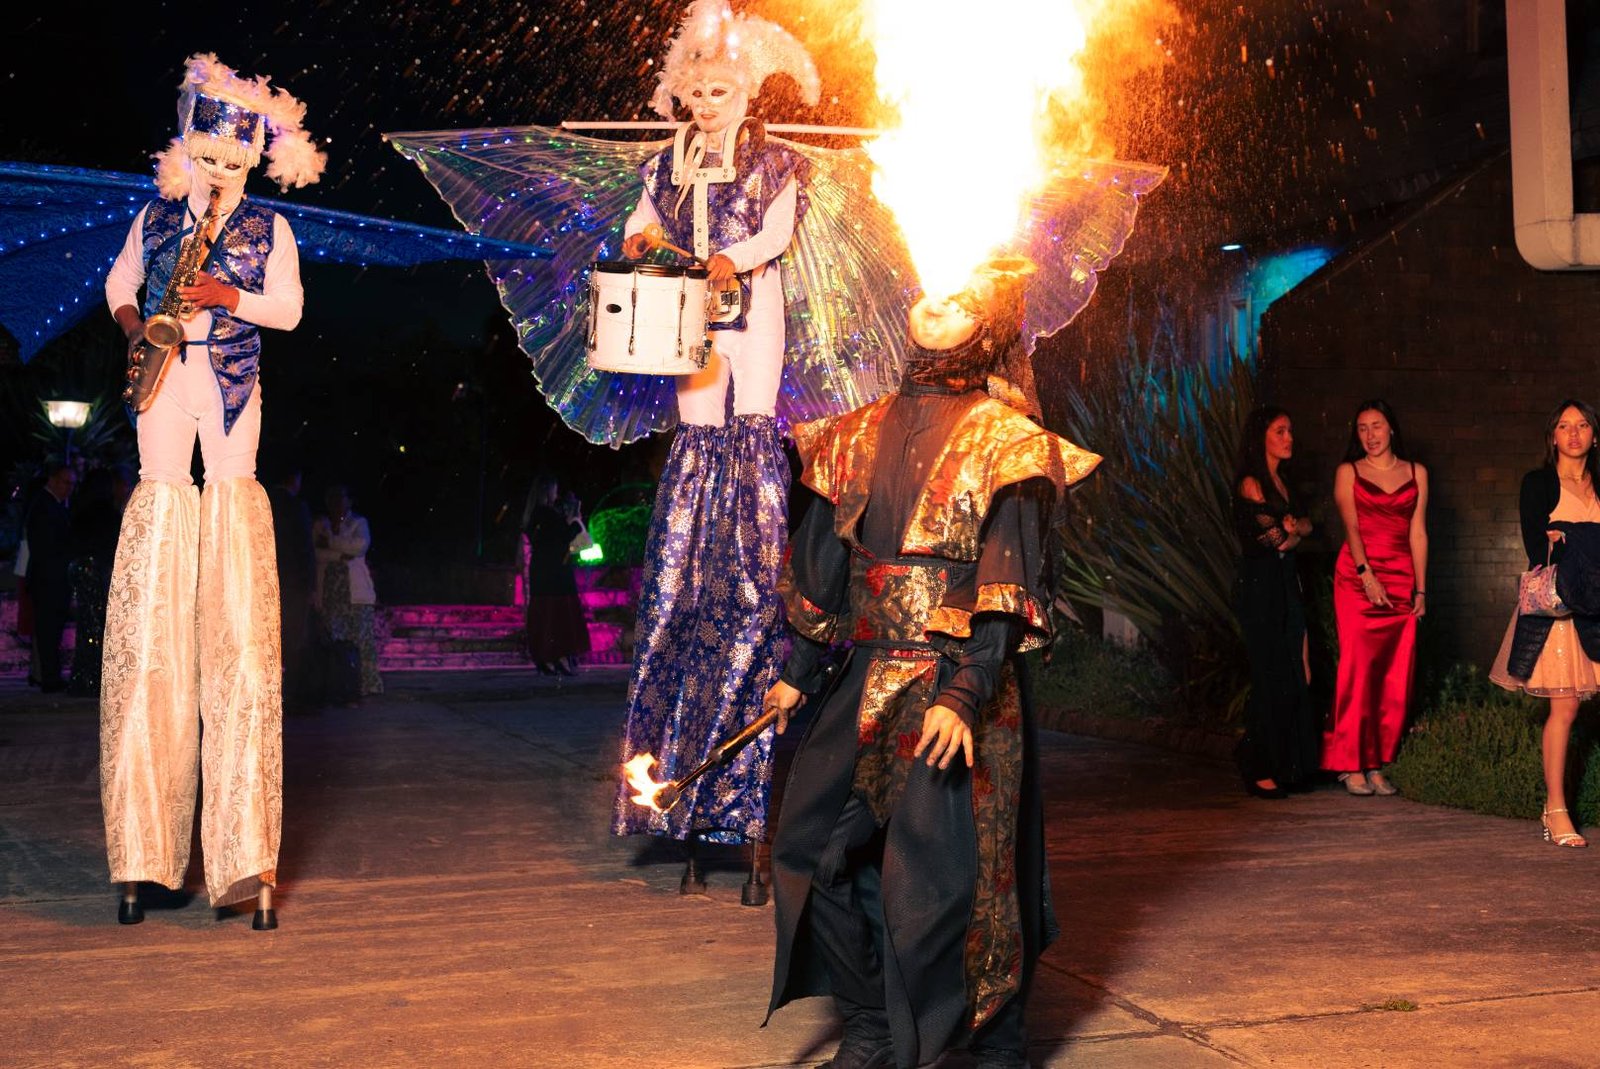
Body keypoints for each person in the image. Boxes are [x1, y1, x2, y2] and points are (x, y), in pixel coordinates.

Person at [762, 262, 1101, 1069]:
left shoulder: (1004, 439)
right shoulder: (850, 434)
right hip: (865, 676)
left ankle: (995, 1046)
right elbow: (823, 562)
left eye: (963, 297)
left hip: (958, 684)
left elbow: (1006, 576)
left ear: (989, 327)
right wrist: (799, 667)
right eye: (932, 288)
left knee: (956, 879)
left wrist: (968, 687)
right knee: (812, 849)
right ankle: (872, 1022)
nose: (938, 300)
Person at [99, 53, 324, 929]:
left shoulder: (270, 225)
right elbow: (120, 284)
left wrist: (225, 291)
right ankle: (145, 845)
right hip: (161, 376)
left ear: (255, 158)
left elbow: (290, 310)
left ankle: (240, 850)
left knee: (230, 540)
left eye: (235, 161)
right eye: (209, 157)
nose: (222, 173)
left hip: (232, 385)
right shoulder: (155, 216)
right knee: (159, 527)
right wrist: (137, 329)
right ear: (185, 148)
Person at [611, 0, 820, 881]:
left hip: (753, 306)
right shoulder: (666, 163)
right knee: (700, 434)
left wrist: (738, 255)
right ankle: (695, 522)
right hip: (687, 314)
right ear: (681, 92)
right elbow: (638, 227)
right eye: (695, 92)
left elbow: (777, 229)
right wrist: (648, 243)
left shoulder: (775, 162)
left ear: (747, 91)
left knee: (751, 424)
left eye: (721, 91)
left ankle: (752, 514)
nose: (706, 103)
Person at [1489, 399, 1600, 848]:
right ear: (1552, 436)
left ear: (1594, 435)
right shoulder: (1537, 483)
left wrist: (1572, 535)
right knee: (1565, 708)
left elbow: (1568, 542)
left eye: (1582, 425)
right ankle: (1556, 809)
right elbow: (1538, 550)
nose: (1573, 433)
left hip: (1599, 605)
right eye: (1564, 425)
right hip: (1563, 611)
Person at [1323, 401, 1429, 796]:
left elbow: (1418, 532)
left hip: (1401, 579)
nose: (1370, 435)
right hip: (1357, 577)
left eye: (1377, 426)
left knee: (1395, 673)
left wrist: (1421, 588)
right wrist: (1365, 573)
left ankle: (1377, 762)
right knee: (1358, 668)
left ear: (1391, 429)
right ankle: (1350, 762)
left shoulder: (1417, 472)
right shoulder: (1348, 472)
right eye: (1362, 428)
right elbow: (1351, 526)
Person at [1232, 406, 1320, 799]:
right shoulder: (1252, 484)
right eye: (1280, 431)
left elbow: (1305, 525)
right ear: (1261, 437)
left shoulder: (1282, 483)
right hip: (1261, 588)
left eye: (1290, 431)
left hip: (1286, 584)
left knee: (1296, 670)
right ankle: (1257, 765)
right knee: (1271, 673)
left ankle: (1288, 765)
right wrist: (1292, 532)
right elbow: (1279, 541)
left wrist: (1294, 529)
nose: (1289, 438)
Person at [314, 484, 383, 698]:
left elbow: (359, 546)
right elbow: (315, 553)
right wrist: (339, 555)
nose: (336, 502)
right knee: (335, 642)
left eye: (340, 497)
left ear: (349, 501)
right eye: (332, 498)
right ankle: (340, 685)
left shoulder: (358, 523)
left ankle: (367, 685)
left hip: (357, 595)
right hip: (330, 594)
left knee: (362, 641)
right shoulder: (321, 525)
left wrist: (330, 542)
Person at [68, 465, 130, 697]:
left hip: (81, 569)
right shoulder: (107, 514)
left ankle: (85, 677)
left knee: (87, 624)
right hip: (96, 571)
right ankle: (94, 678)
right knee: (97, 625)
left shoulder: (81, 510)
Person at [522, 474, 590, 676]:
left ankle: (548, 658)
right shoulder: (546, 514)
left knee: (546, 616)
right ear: (547, 491)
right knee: (559, 616)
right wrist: (575, 522)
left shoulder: (536, 514)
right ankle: (557, 657)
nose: (556, 493)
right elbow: (563, 538)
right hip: (555, 573)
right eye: (554, 489)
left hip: (543, 571)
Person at [266, 461, 317, 711]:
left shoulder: (265, 501)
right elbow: (305, 549)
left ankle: (271, 692)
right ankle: (294, 695)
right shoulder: (296, 507)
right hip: (294, 582)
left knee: (270, 637)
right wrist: (311, 585)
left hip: (268, 580)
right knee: (295, 638)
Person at [24, 461, 75, 693]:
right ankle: (49, 677)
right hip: (47, 579)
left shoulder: (50, 505)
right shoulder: (45, 506)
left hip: (50, 578)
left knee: (51, 631)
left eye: (71, 484)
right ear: (53, 480)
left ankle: (50, 675)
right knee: (48, 630)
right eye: (66, 483)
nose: (69, 488)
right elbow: (46, 546)